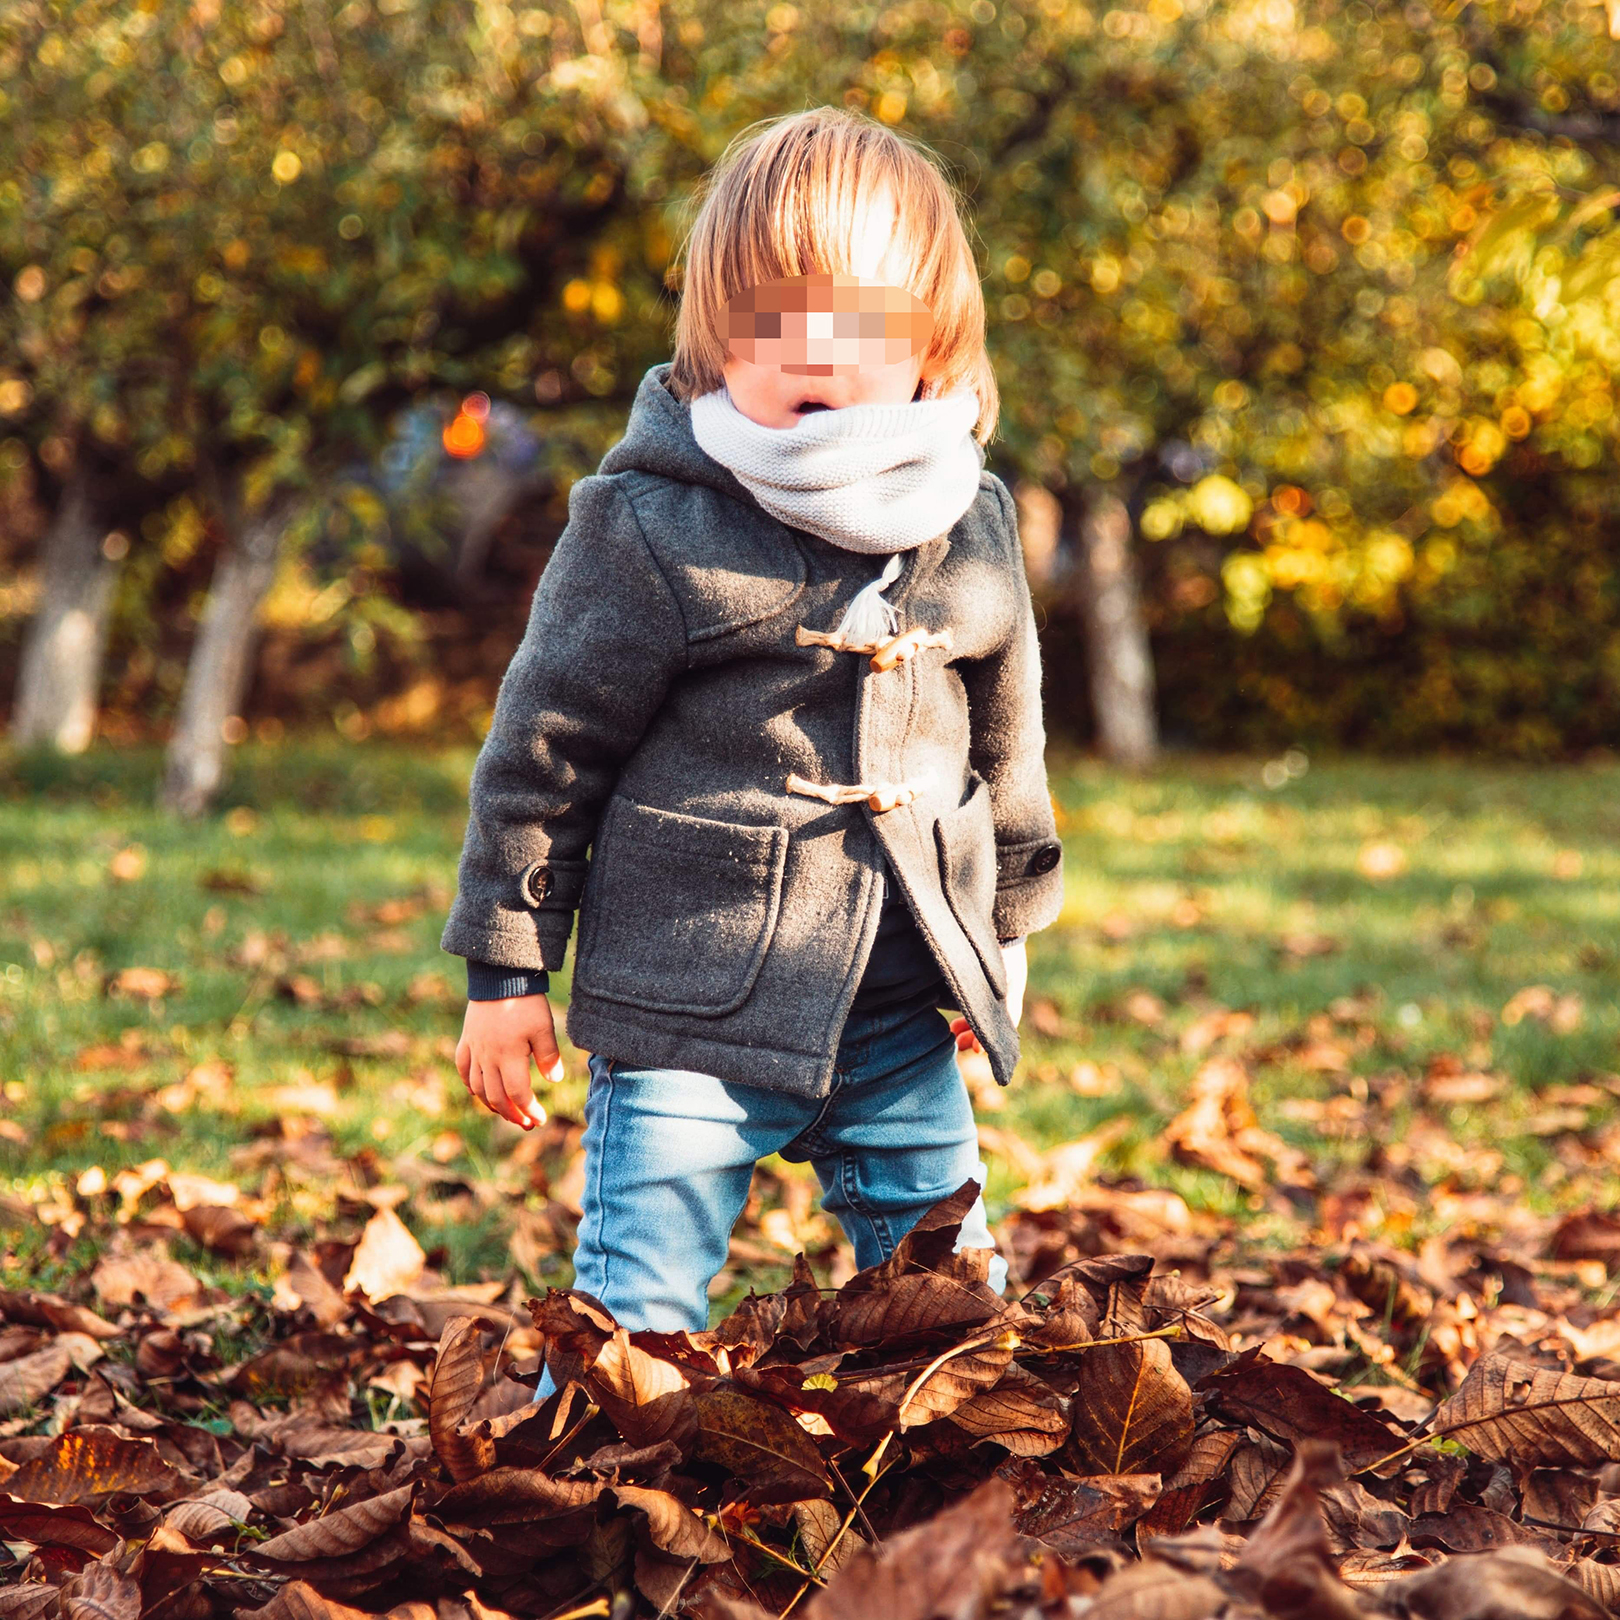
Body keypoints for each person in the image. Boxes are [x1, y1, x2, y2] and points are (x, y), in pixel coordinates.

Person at [441, 107, 1065, 1358]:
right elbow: (543, 755)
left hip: (895, 1013)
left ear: (933, 335)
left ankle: (966, 1499)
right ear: (719, 329)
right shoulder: (650, 522)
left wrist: (990, 945)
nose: (813, 349)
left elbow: (1007, 754)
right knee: (638, 1323)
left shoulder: (970, 516)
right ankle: (591, 1512)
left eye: (859, 320)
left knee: (962, 1311)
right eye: (774, 316)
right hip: (689, 1014)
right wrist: (508, 973)